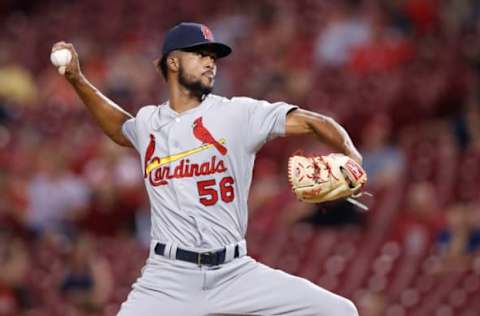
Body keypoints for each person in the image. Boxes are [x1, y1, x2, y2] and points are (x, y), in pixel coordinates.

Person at [52, 22, 362, 316]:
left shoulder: (238, 113)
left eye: (212, 56)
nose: (210, 62)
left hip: (234, 272)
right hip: (167, 277)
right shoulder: (148, 123)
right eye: (200, 54)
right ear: (172, 62)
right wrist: (78, 80)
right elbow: (121, 128)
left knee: (340, 311)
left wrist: (350, 152)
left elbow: (312, 121)